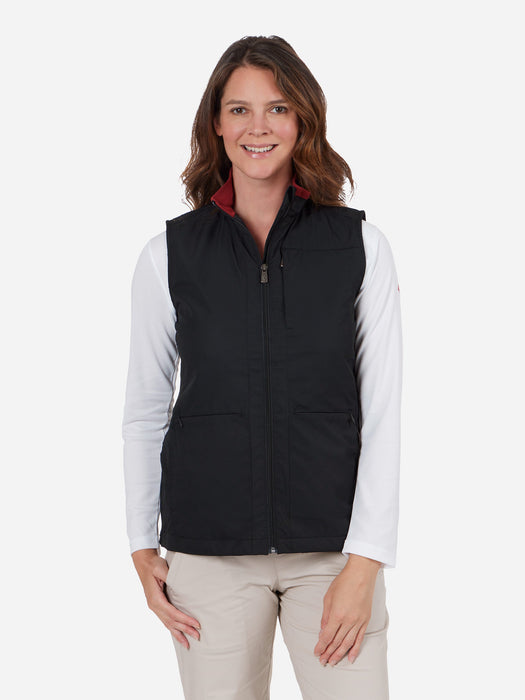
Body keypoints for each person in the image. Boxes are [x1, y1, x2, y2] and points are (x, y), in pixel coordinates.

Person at [122, 35, 402, 699]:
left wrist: (365, 562)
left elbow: (384, 409)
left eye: (277, 108)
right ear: (216, 124)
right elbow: (145, 408)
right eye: (239, 109)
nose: (258, 127)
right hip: (207, 555)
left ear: (302, 119)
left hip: (334, 554)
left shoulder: (359, 247)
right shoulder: (168, 255)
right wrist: (140, 543)